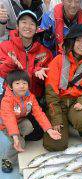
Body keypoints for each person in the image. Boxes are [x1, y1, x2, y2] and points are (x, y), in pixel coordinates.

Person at [43, 24, 82, 152]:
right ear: (71, 42)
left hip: (76, 103)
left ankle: (81, 128)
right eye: (78, 40)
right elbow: (51, 94)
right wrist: (56, 119)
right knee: (55, 145)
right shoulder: (58, 60)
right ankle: (63, 122)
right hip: (58, 104)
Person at [0, 10, 53, 141]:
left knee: (37, 134)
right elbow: (1, 72)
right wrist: (11, 63)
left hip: (32, 99)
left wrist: (38, 73)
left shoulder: (45, 52)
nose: (27, 26)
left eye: (31, 24)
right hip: (11, 97)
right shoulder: (5, 46)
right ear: (17, 26)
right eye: (24, 22)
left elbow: (47, 80)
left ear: (36, 29)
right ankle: (10, 128)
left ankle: (17, 126)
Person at [0, 70, 61, 173]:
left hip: (20, 121)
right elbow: (9, 119)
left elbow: (39, 113)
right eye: (17, 83)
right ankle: (8, 159)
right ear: (10, 86)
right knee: (21, 143)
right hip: (7, 126)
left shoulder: (30, 97)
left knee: (29, 126)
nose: (22, 86)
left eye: (24, 83)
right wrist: (15, 137)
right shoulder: (6, 100)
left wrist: (49, 130)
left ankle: (19, 138)